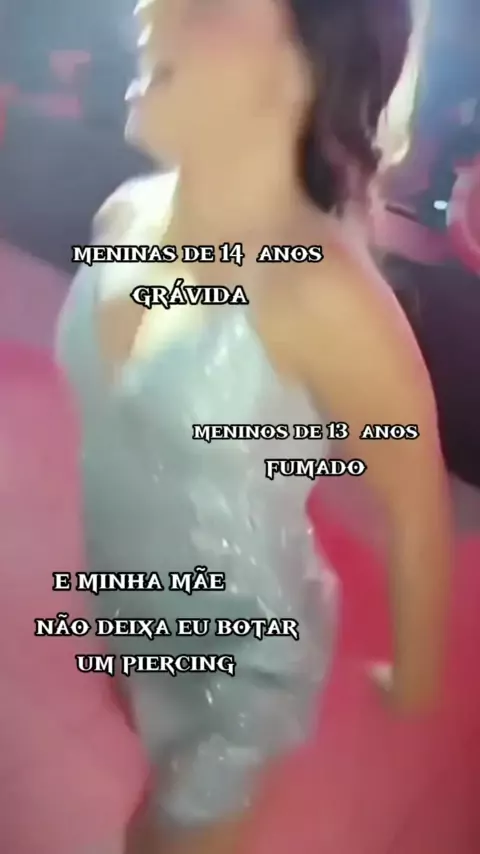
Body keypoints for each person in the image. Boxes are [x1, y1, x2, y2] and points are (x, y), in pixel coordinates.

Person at [56, 1, 452, 853]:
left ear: (301, 67)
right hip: (127, 599)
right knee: (149, 752)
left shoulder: (324, 296)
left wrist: (415, 677)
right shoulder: (123, 217)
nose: (149, 5)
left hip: (240, 660)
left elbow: (417, 505)